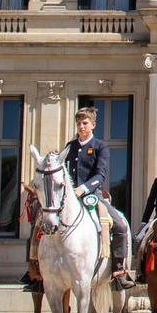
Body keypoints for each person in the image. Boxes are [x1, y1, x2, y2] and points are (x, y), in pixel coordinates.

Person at [64, 106, 134, 290]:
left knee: (119, 226)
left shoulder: (100, 147)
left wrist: (83, 189)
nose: (81, 127)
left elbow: (100, 176)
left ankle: (119, 271)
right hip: (70, 198)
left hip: (91, 196)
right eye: (79, 123)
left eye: (85, 123)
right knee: (41, 223)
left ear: (93, 125)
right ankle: (36, 271)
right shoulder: (70, 148)